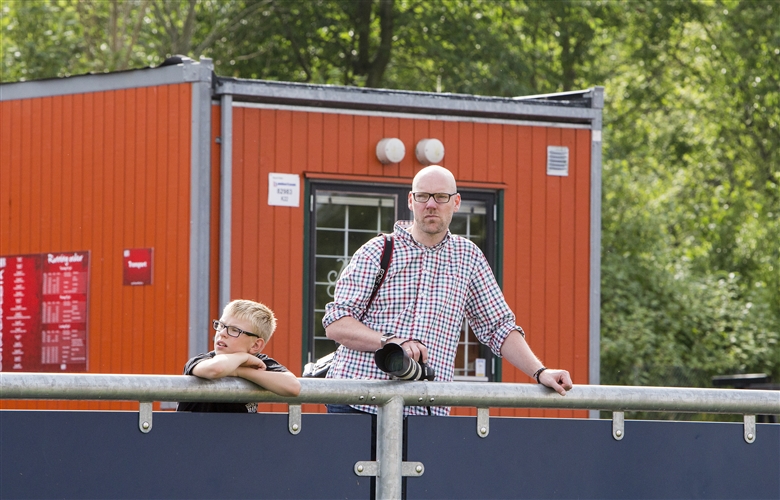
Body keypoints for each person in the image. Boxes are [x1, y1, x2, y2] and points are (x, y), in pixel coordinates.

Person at [323, 165, 573, 416]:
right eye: (423, 196)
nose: (431, 204)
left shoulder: (468, 258)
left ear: (456, 202)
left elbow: (499, 327)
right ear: (411, 201)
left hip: (425, 409)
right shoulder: (377, 250)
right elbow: (336, 323)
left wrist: (540, 372)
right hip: (358, 402)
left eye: (441, 197)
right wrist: (391, 342)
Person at [177, 299, 301, 412]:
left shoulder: (259, 363)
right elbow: (216, 369)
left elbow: (293, 387)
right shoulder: (203, 360)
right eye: (221, 325)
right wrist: (244, 357)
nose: (222, 333)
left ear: (255, 346)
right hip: (195, 435)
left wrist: (240, 372)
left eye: (234, 330)